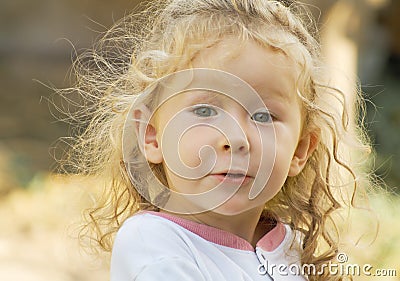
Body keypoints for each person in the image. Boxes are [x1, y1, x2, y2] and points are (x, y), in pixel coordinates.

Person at [63, 0, 372, 280]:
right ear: (152, 136)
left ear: (300, 150)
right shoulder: (154, 244)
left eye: (263, 116)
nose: (236, 138)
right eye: (205, 110)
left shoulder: (292, 250)